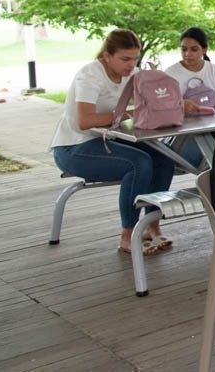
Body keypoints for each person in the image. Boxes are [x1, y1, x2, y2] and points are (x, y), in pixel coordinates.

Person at [50, 29, 175, 256]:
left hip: (106, 141)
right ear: (107, 56)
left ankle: (151, 226)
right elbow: (84, 121)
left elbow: (153, 102)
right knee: (138, 162)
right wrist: (126, 113)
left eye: (135, 58)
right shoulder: (89, 75)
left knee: (164, 158)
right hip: (73, 147)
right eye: (125, 59)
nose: (131, 64)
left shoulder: (132, 74)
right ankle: (127, 236)